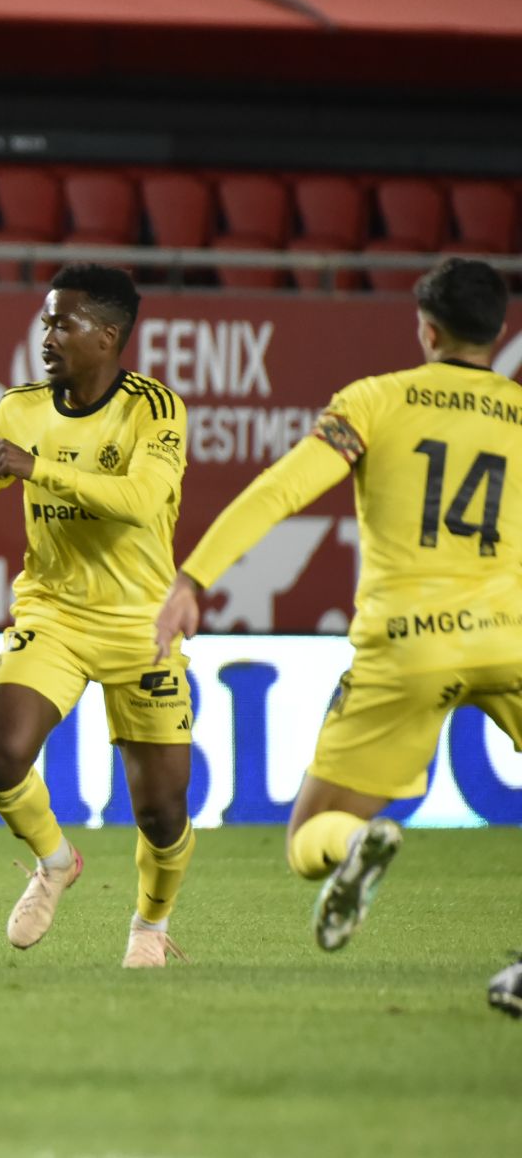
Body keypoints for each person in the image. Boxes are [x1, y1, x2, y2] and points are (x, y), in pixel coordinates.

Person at [154, 259, 521, 995]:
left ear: (426, 328)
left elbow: (281, 489)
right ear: (500, 331)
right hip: (512, 635)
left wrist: (193, 577)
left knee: (307, 837)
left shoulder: (376, 402)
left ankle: (356, 843)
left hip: (408, 643)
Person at [0, 264, 194, 970]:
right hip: (53, 611)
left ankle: (150, 925)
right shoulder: (21, 407)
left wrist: (40, 471)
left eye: (64, 323)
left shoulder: (156, 409)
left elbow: (142, 501)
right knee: (0, 748)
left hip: (139, 624)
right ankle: (54, 861)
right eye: (46, 319)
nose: (47, 334)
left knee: (162, 813)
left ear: (108, 337)